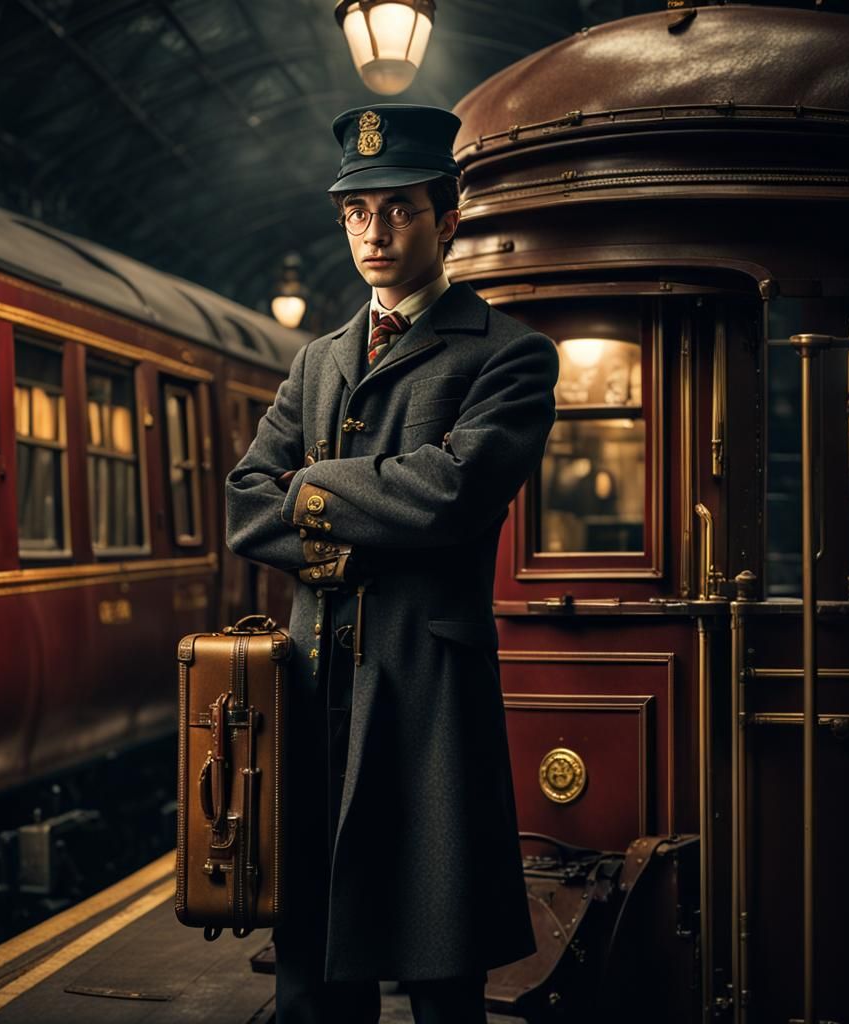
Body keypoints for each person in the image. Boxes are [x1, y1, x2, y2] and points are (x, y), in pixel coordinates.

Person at [225, 103, 558, 1024]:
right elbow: (245, 502)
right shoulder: (316, 362)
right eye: (357, 212)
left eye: (401, 209)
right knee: (313, 960)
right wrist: (354, 514)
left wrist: (315, 488)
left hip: (425, 690)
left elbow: (454, 493)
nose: (376, 232)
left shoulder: (511, 357)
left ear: (447, 220)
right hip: (313, 687)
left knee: (440, 965)